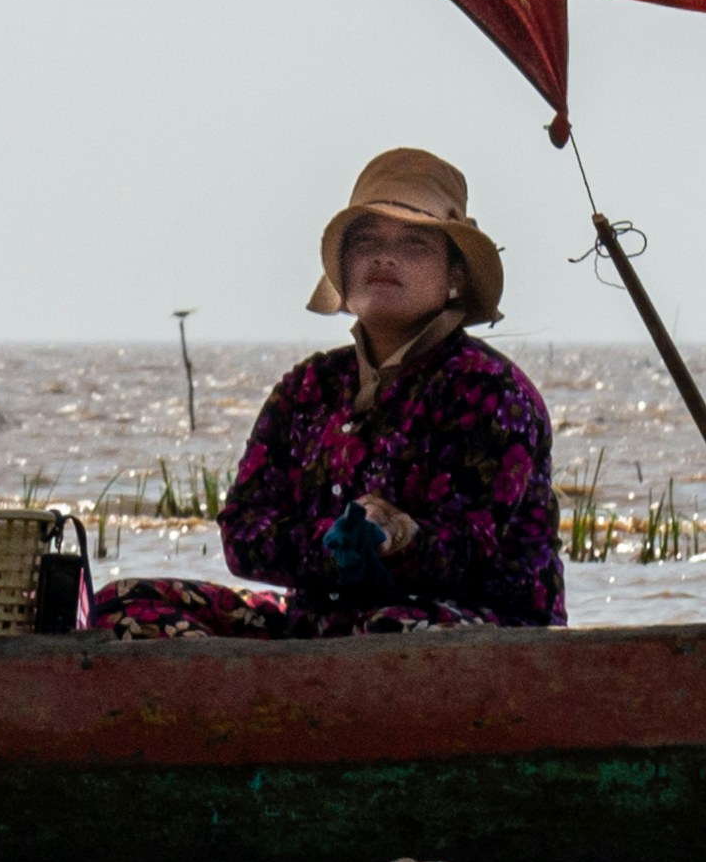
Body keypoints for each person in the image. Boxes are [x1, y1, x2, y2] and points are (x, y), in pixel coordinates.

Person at [84, 147, 565, 636]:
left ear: (455, 273)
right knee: (124, 603)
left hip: (475, 628)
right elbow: (243, 532)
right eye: (366, 241)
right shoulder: (308, 387)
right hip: (321, 624)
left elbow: (470, 548)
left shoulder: (492, 392)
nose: (384, 256)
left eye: (415, 244)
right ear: (343, 263)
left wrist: (397, 537)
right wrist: (330, 543)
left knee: (385, 631)